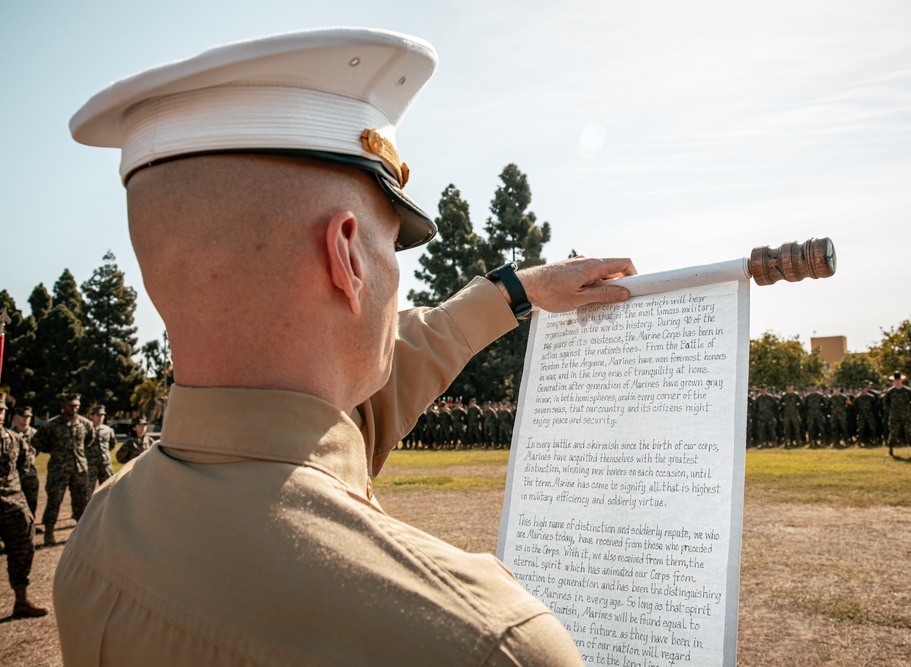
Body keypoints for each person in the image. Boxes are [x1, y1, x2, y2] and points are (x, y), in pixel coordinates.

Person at [54, 27, 635, 666]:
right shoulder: (488, 643)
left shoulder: (95, 543)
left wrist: (514, 293)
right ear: (348, 254)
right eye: (392, 247)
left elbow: (347, 401)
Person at [0, 394, 49, 617]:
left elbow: (25, 469)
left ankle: (21, 599)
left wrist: (26, 507)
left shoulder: (13, 439)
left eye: (1, 410)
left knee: (22, 549)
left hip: (12, 506)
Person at [33, 393, 95, 546]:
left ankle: (82, 534)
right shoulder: (52, 425)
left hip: (79, 469)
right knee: (54, 501)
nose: (74, 408)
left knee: (82, 502)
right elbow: (37, 441)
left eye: (77, 406)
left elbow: (89, 439)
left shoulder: (85, 424)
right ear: (63, 406)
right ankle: (49, 533)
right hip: (58, 470)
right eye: (71, 405)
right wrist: (55, 452)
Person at [9, 405, 40, 517]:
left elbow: (39, 449)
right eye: (23, 416)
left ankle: (31, 525)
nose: (26, 419)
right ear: (16, 417)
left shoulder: (35, 434)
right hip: (14, 474)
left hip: (30, 473)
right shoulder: (9, 434)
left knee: (32, 501)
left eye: (28, 416)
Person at [882, 371, 911, 459]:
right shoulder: (890, 392)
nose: (897, 382)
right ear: (893, 381)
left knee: (909, 432)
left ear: (901, 380)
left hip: (906, 415)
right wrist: (891, 410)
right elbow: (886, 403)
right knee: (893, 433)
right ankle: (890, 451)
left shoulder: (907, 391)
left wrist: (908, 410)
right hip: (894, 416)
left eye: (898, 380)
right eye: (895, 380)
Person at [86, 405, 116, 492]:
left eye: (102, 415)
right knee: (88, 490)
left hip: (105, 464)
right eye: (98, 415)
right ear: (92, 416)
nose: (100, 417)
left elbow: (112, 444)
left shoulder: (108, 430)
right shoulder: (87, 429)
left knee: (108, 489)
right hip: (91, 464)